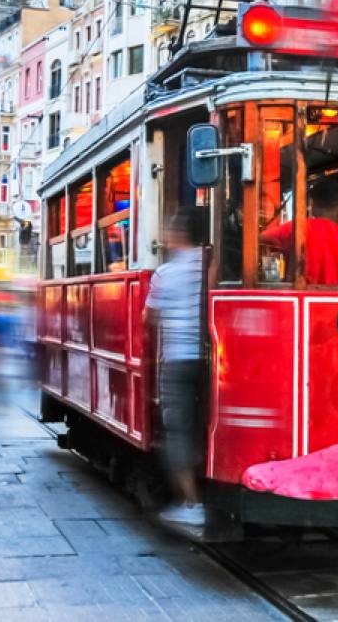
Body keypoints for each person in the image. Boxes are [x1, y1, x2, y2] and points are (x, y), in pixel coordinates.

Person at [145, 209, 206, 527]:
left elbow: (149, 317)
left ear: (178, 235)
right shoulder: (210, 265)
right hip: (209, 361)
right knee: (203, 424)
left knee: (178, 430)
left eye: (169, 234)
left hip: (178, 359)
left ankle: (192, 504)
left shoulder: (165, 274)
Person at [260, 180, 338, 286]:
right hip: (334, 296)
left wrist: (273, 273)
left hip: (299, 294)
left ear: (312, 203)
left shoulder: (296, 228)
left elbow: (262, 238)